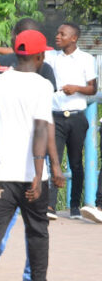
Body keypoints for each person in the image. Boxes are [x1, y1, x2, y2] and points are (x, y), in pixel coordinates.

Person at [0, 18, 64, 281]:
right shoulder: (41, 85)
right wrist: (40, 173)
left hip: (0, 172)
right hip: (30, 176)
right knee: (37, 229)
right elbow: (41, 128)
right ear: (40, 55)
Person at [44, 23, 97, 219]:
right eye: (57, 32)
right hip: (55, 117)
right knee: (53, 160)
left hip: (76, 117)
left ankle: (75, 206)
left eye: (62, 34)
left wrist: (76, 88)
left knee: (75, 162)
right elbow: (24, 51)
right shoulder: (51, 56)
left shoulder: (86, 59)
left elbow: (93, 89)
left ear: (73, 38)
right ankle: (50, 206)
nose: (57, 36)